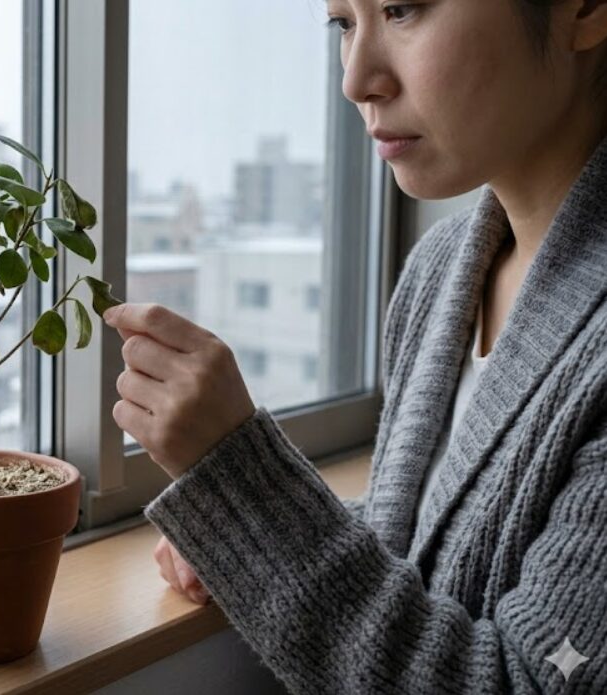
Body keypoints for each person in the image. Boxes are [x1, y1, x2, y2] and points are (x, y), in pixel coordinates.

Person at [106, 0, 607, 691]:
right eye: (342, 24)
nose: (355, 80)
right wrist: (242, 536)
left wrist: (245, 489)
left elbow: (523, 680)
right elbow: (435, 537)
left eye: (401, 9)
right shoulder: (441, 271)